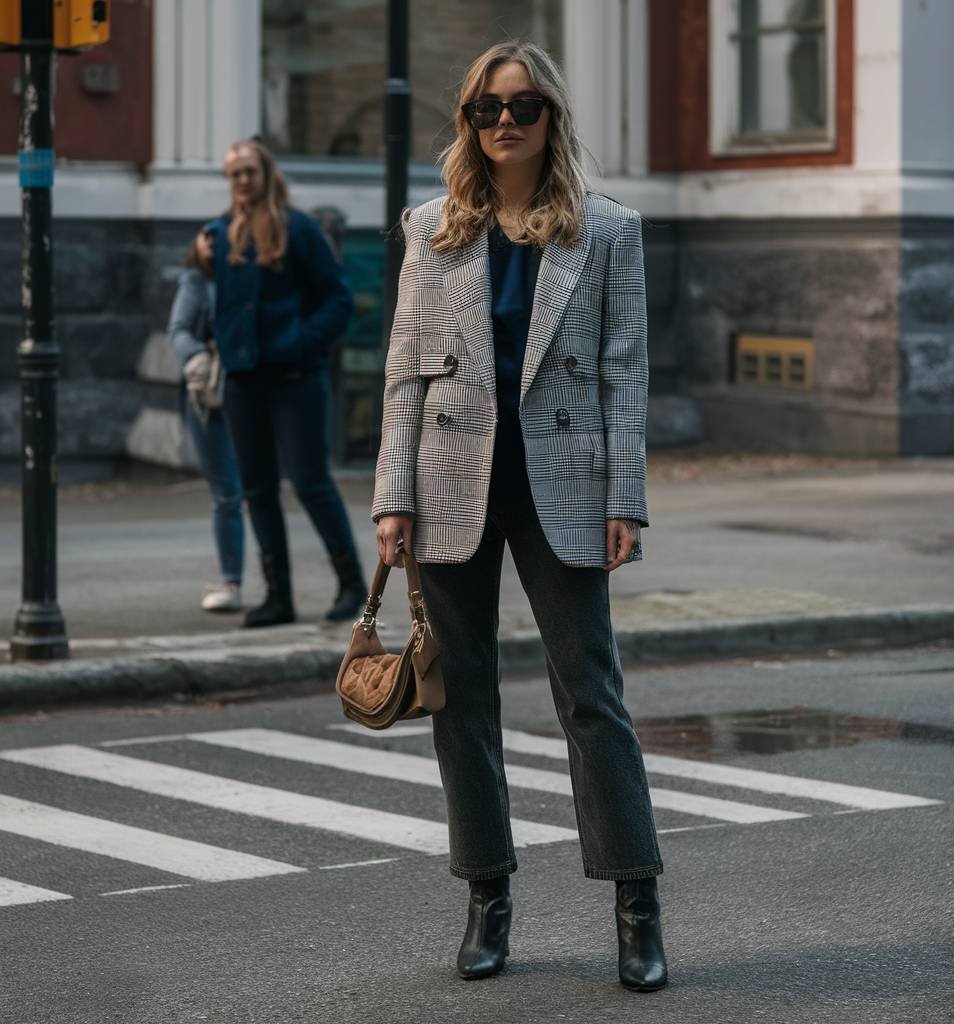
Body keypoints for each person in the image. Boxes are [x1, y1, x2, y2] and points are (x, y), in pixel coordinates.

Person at [373, 42, 667, 991]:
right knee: (461, 704)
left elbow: (628, 371)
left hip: (565, 483)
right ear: (468, 123)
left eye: (524, 105)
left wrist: (627, 496)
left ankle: (636, 903)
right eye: (486, 108)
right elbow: (402, 377)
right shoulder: (432, 228)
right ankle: (487, 897)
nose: (505, 121)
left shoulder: (606, 230)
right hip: (453, 479)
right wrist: (392, 499)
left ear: (552, 118)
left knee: (592, 695)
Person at [208, 138, 366, 629]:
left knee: (310, 482)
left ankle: (352, 586)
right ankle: (278, 597)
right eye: (234, 174)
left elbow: (338, 300)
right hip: (243, 380)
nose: (242, 181)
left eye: (249, 171)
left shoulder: (299, 229)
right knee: (256, 490)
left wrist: (298, 342)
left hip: (297, 378)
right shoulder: (220, 234)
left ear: (267, 174)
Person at [166, 228, 244, 613]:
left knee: (247, 491)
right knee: (227, 492)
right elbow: (178, 331)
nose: (213, 242)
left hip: (247, 390)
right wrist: (199, 355)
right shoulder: (196, 279)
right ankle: (232, 581)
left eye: (220, 236)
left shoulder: (244, 274)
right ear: (195, 243)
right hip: (208, 397)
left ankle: (264, 584)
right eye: (205, 236)